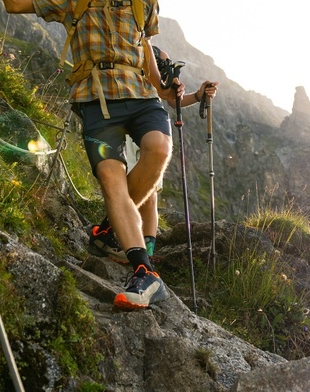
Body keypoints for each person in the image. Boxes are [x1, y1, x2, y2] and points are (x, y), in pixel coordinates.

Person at [0, 0, 180, 310]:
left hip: (142, 94)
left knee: (159, 149)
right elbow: (14, 2)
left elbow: (143, 45)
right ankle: (144, 273)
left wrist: (163, 88)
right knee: (112, 177)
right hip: (95, 98)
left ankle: (110, 230)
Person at [89, 51, 218, 263]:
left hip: (148, 123)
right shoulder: (136, 53)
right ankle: (124, 240)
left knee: (151, 192)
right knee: (140, 186)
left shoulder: (148, 53)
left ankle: (138, 249)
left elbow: (170, 98)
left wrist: (197, 95)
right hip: (132, 123)